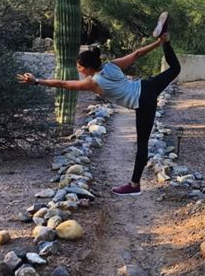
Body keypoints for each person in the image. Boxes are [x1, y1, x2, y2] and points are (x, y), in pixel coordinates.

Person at [17, 12, 180, 196]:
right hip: (147, 86)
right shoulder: (111, 66)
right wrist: (159, 43)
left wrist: (37, 81)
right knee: (175, 68)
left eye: (79, 67)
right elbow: (137, 54)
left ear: (88, 68)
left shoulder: (93, 82)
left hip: (143, 101)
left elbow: (63, 84)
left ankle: (134, 185)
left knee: (142, 144)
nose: (78, 70)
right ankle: (165, 38)